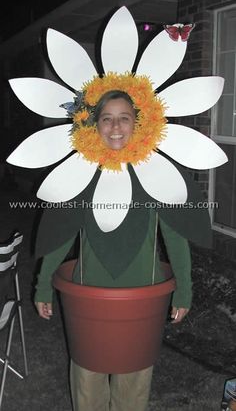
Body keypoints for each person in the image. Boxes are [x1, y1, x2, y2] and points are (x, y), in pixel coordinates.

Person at [35, 90, 191, 411]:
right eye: (107, 118)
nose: (115, 127)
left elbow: (176, 237)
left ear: (138, 124)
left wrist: (184, 291)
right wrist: (42, 286)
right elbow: (59, 235)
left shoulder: (153, 175)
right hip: (87, 301)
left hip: (141, 300)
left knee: (132, 390)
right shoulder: (82, 175)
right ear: (95, 125)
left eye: (124, 118)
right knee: (88, 387)